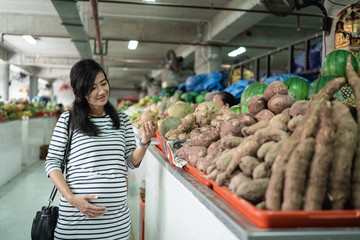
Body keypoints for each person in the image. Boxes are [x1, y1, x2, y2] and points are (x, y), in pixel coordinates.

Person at [45, 59, 157, 240]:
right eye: (92, 87)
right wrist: (73, 200)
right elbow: (52, 164)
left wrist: (144, 140)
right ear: (80, 91)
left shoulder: (122, 120)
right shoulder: (68, 120)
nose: (101, 91)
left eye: (103, 83)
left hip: (116, 224)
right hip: (76, 221)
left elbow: (132, 162)